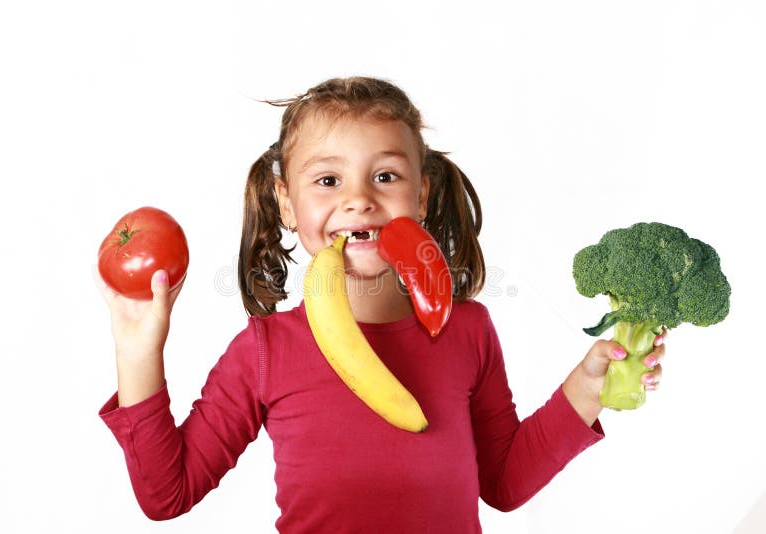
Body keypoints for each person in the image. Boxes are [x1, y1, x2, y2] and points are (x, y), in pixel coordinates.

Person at [96, 76, 667, 533]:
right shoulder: (266, 350)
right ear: (286, 204)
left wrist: (589, 386)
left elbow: (504, 485)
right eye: (327, 180)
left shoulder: (469, 330)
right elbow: (166, 495)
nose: (359, 200)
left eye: (385, 176)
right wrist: (137, 351)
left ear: (419, 195)